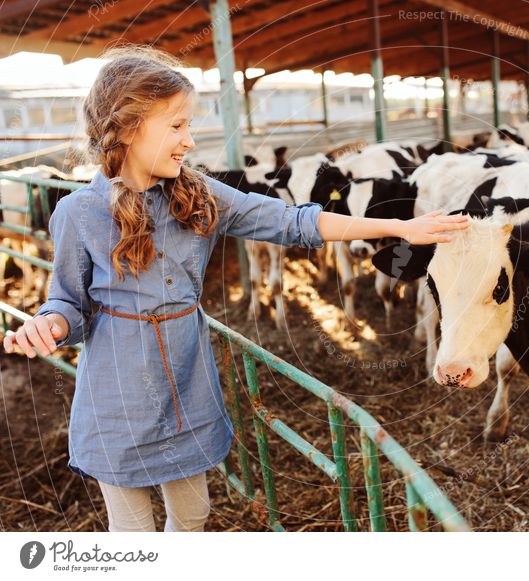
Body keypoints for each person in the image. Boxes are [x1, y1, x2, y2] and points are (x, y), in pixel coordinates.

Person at [2, 46, 468, 532]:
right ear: (128, 127)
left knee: (193, 513)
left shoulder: (199, 194)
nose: (189, 140)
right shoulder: (78, 213)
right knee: (132, 532)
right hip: (117, 393)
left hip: (187, 381)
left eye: (188, 125)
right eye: (177, 125)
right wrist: (48, 323)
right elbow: (68, 303)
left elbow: (290, 221)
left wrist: (397, 226)